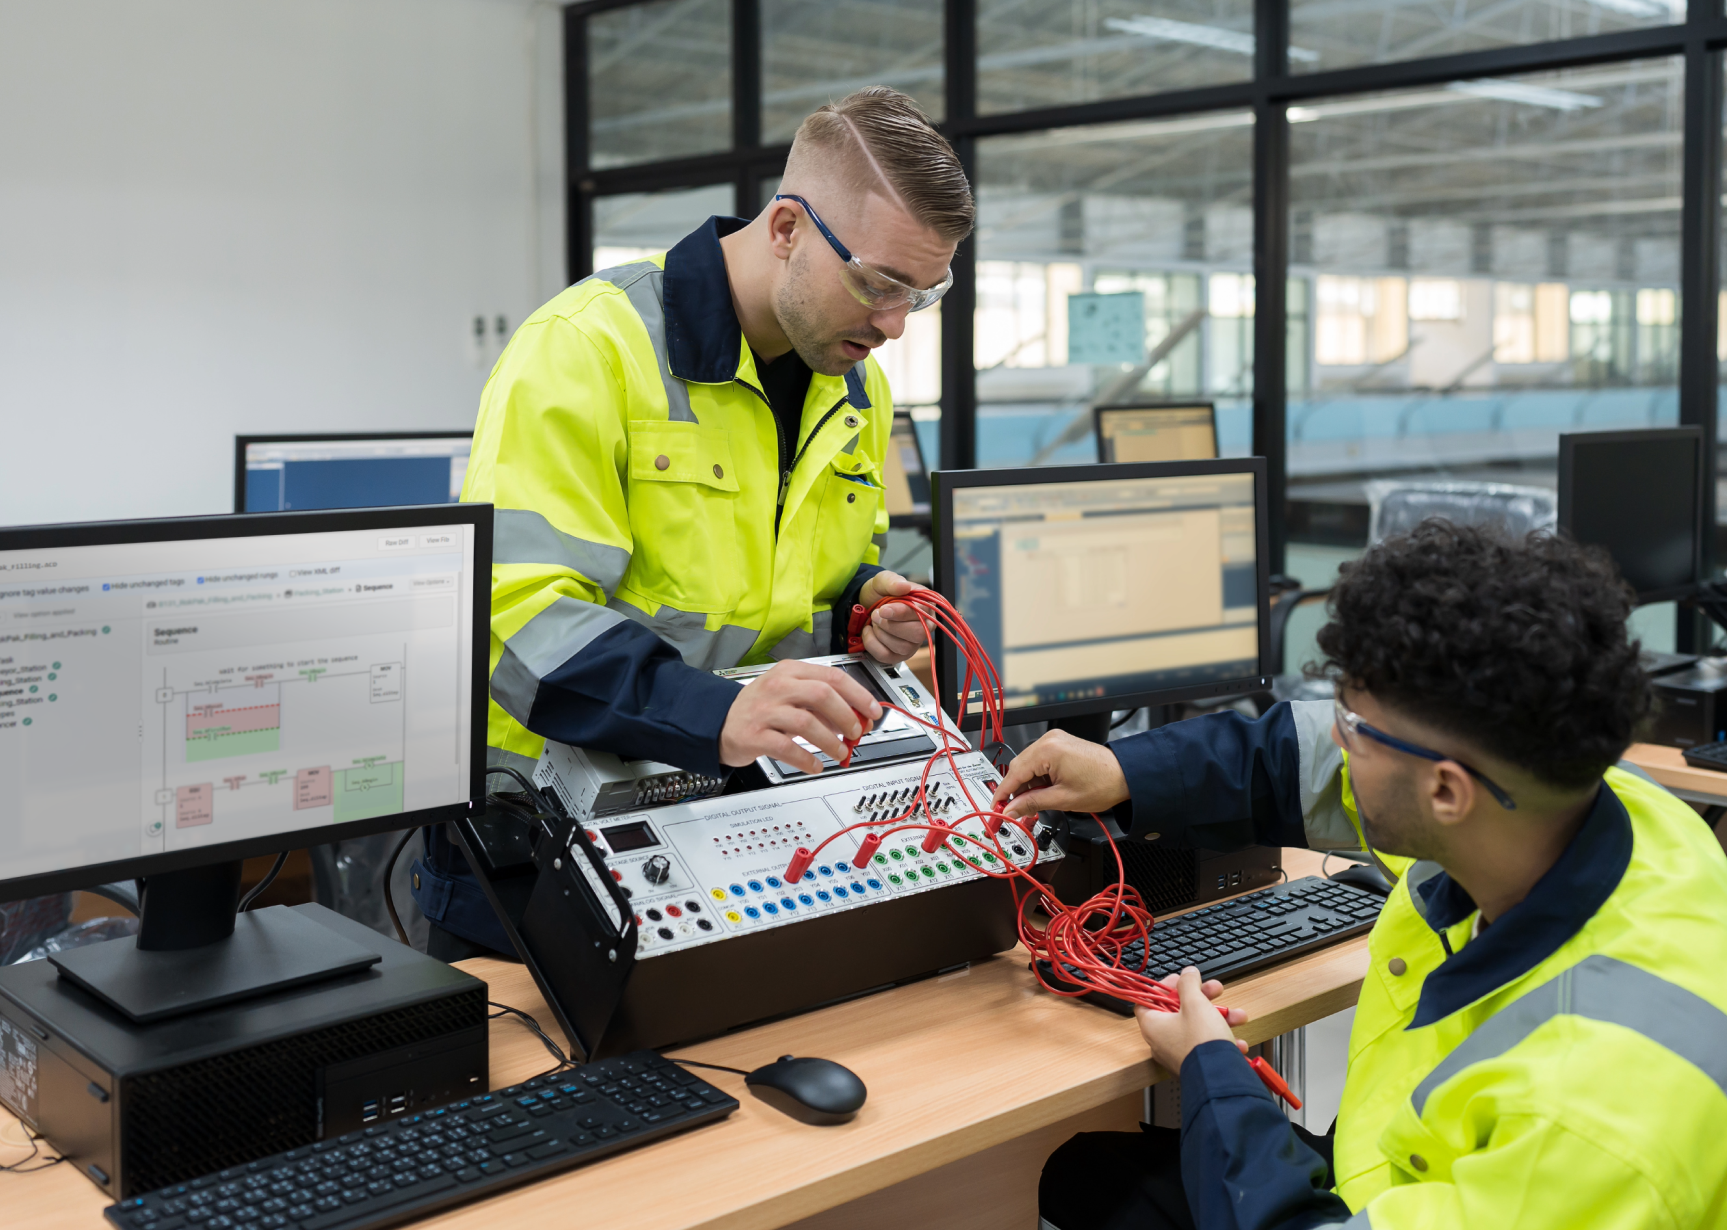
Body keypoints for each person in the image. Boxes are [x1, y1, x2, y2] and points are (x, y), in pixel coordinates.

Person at [991, 521, 1727, 1230]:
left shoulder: (1584, 1120)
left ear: (1445, 792)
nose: (1335, 737)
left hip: (1450, 1192)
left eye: (1354, 726)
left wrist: (1211, 1068)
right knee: (1092, 1176)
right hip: (1408, 1168)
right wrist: (1125, 769)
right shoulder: (1578, 803)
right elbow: (1296, 757)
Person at [410, 86, 974, 959]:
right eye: (878, 283)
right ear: (786, 228)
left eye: (922, 294)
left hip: (736, 828)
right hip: (542, 852)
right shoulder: (588, 346)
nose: (895, 324)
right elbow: (518, 619)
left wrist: (864, 609)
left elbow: (794, 591)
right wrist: (715, 712)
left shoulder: (855, 385)